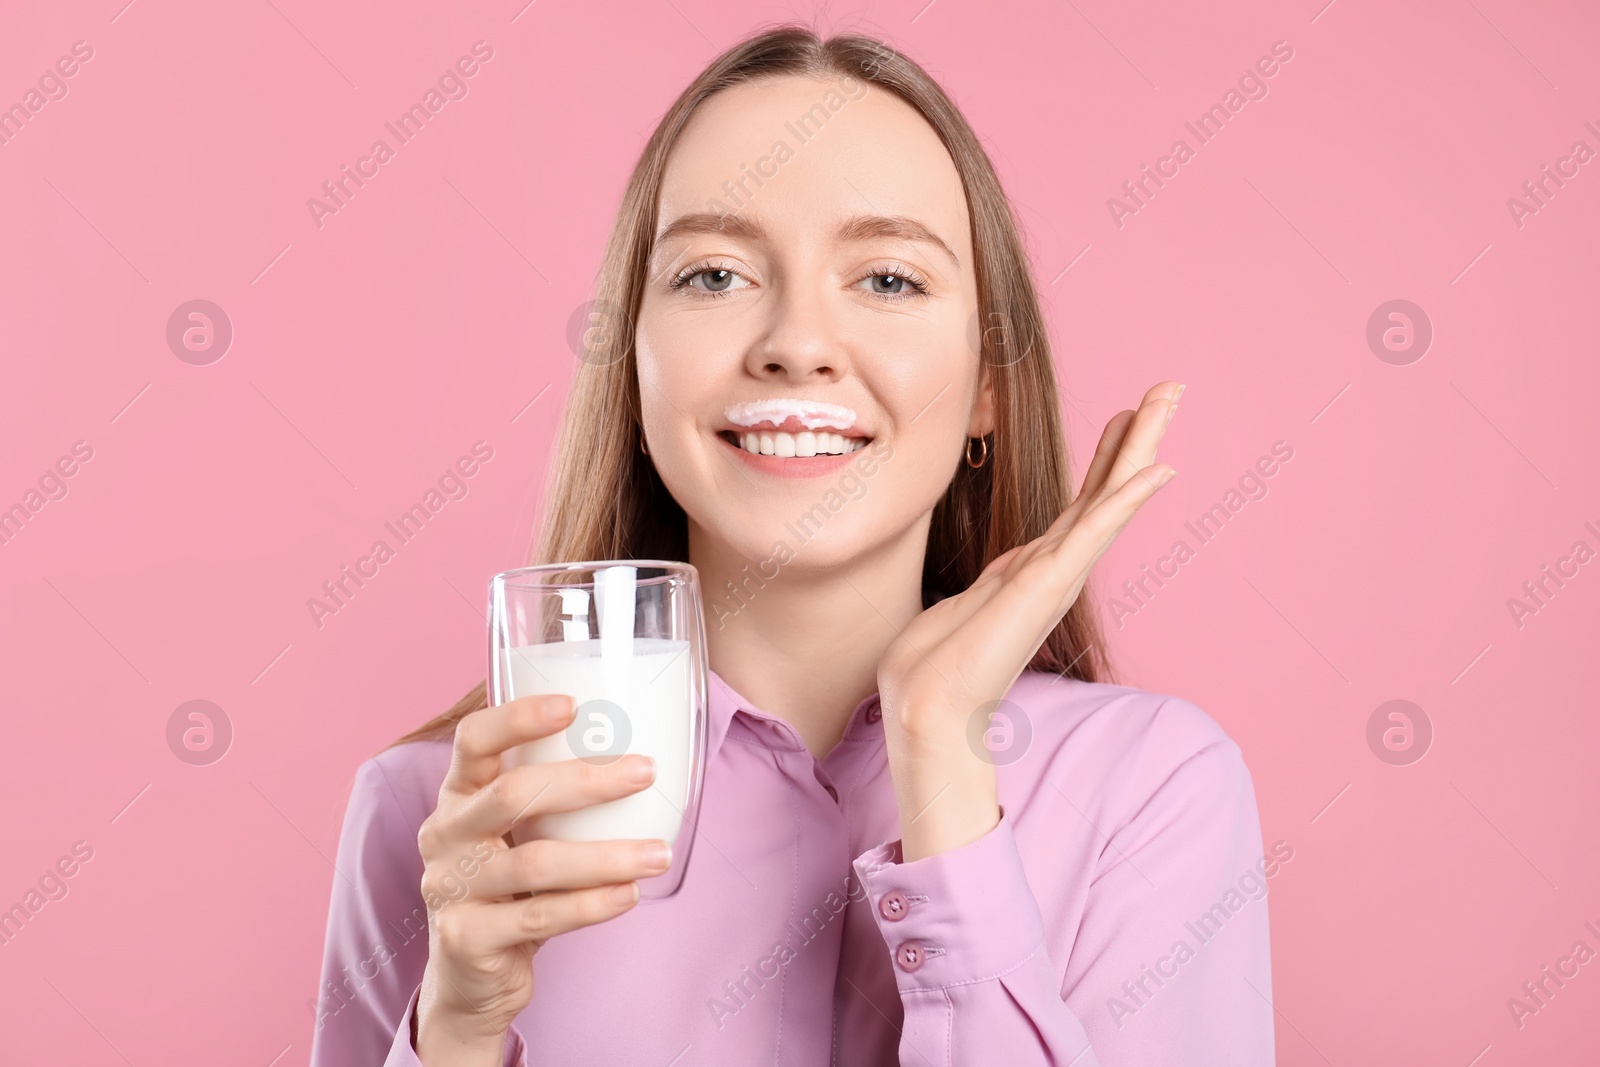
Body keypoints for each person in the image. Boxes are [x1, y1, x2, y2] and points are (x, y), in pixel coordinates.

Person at [309, 24, 1274, 1067]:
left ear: (988, 382)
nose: (796, 344)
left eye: (889, 280)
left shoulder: (1151, 787)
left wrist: (940, 748)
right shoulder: (435, 813)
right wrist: (452, 1032)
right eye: (715, 276)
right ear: (633, 371)